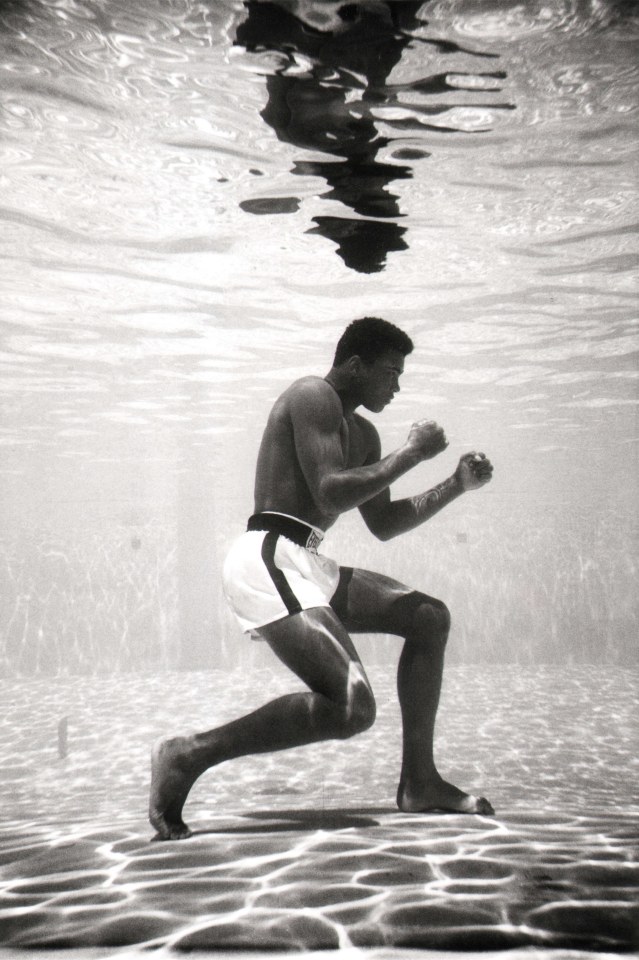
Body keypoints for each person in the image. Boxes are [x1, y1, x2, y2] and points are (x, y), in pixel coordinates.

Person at [149, 316, 494, 840]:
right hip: (266, 555)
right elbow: (331, 491)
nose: (397, 386)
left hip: (308, 560)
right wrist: (412, 454)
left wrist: (454, 485)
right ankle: (188, 754)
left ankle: (420, 782)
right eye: (390, 373)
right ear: (355, 365)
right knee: (353, 707)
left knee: (428, 618)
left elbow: (383, 524)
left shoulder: (364, 434)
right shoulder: (313, 395)